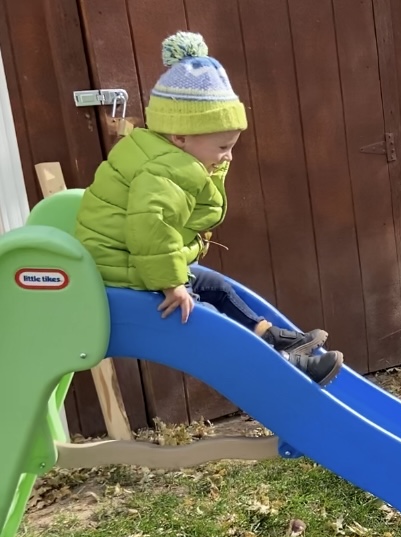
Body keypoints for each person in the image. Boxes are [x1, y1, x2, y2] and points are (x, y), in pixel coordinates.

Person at [74, 31, 343, 386]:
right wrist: (170, 284)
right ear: (180, 137)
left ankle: (267, 334)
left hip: (133, 263)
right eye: (222, 147)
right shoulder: (165, 170)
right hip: (125, 273)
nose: (229, 156)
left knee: (217, 286)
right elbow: (151, 226)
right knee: (206, 316)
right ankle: (288, 369)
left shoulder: (161, 151)